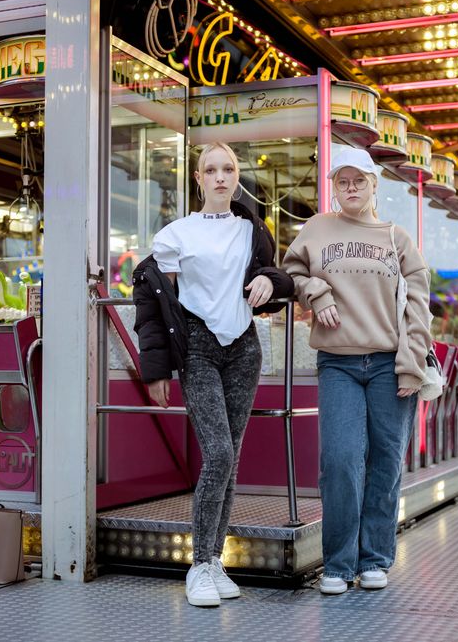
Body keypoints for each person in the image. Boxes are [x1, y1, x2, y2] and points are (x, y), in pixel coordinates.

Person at [132, 142, 294, 607]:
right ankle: (199, 564)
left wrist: (269, 280)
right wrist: (156, 371)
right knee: (219, 453)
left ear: (237, 176)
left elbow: (280, 279)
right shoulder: (176, 235)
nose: (220, 177)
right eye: (211, 170)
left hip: (245, 348)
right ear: (198, 178)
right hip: (199, 347)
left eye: (228, 169)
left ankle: (215, 560)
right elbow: (152, 304)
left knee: (231, 458)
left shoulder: (252, 230)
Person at [282, 146, 432, 595]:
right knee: (340, 460)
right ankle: (338, 563)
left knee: (385, 462)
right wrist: (317, 291)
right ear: (333, 186)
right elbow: (291, 274)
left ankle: (374, 559)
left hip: (389, 364)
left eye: (358, 181)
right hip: (337, 363)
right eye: (342, 181)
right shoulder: (316, 229)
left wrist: (412, 365)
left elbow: (418, 309)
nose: (350, 188)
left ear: (373, 184)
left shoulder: (397, 238)